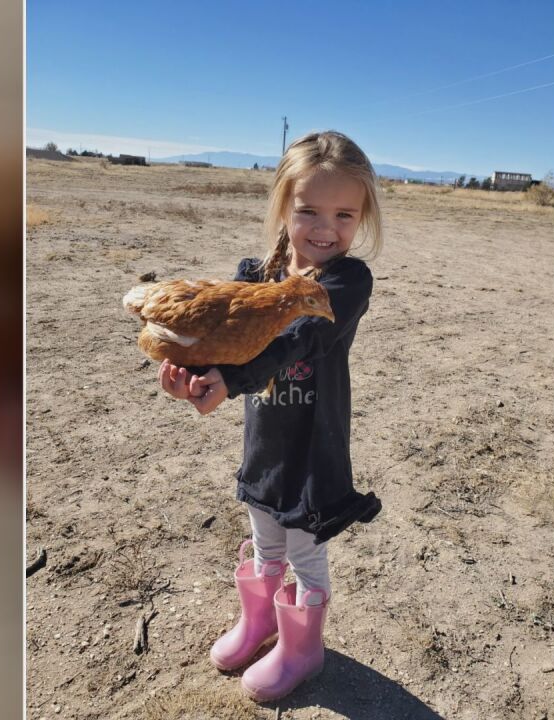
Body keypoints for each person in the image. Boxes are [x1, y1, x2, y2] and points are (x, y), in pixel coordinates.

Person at [158, 130, 384, 702]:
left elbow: (300, 341)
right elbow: (217, 337)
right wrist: (192, 375)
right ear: (283, 207)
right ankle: (260, 623)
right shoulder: (254, 276)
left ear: (361, 220)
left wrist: (232, 378)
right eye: (307, 210)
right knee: (264, 539)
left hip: (313, 448)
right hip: (265, 443)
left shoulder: (345, 283)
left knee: (304, 552)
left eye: (344, 215)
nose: (325, 229)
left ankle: (303, 651)